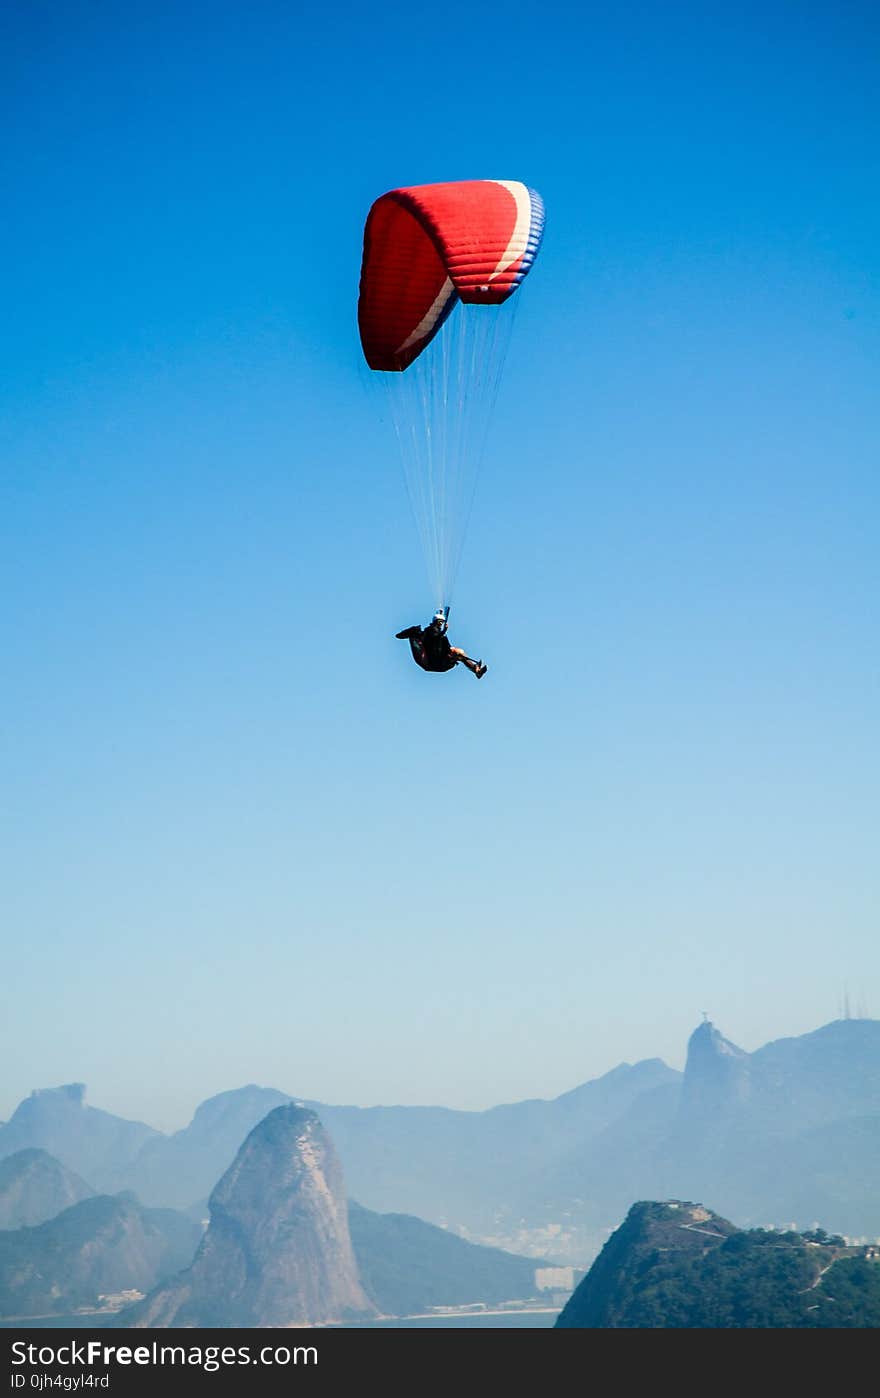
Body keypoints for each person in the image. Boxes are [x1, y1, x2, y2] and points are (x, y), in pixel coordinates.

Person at [395, 609, 487, 679]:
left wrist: (440, 615)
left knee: (459, 653)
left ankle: (476, 670)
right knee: (458, 653)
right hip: (435, 662)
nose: (441, 624)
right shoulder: (430, 631)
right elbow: (435, 638)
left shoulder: (436, 631)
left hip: (440, 660)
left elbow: (441, 640)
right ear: (436, 622)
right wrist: (444, 630)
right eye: (440, 622)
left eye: (442, 622)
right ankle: (476, 669)